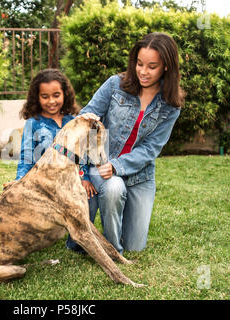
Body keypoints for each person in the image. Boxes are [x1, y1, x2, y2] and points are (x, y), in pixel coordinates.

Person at [69, 32, 185, 254]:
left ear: (166, 67)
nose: (143, 71)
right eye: (139, 63)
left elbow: (151, 149)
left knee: (135, 245)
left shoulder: (171, 105)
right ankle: (109, 247)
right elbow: (84, 120)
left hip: (139, 176)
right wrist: (88, 121)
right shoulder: (115, 85)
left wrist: (117, 166)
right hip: (100, 168)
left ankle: (106, 228)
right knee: (113, 188)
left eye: (152, 66)